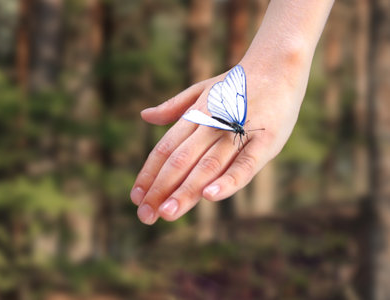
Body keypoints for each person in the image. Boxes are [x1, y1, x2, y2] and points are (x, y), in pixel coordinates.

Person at [131, 0, 335, 225]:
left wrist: (285, 58)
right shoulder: (239, 123)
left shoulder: (238, 123)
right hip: (224, 116)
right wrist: (282, 54)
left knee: (228, 133)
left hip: (224, 114)